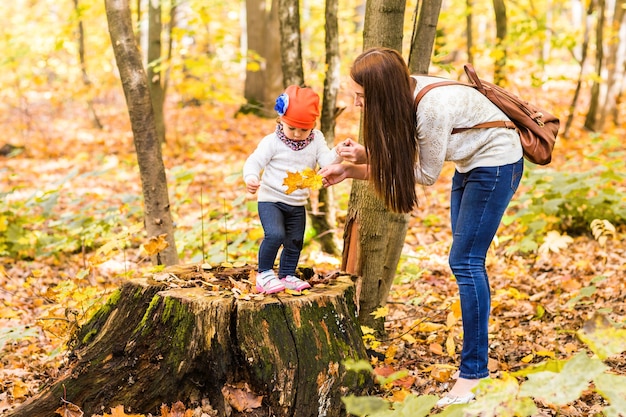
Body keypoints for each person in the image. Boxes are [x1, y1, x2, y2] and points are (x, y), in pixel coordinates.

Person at [319, 47, 524, 406]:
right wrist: (363, 154)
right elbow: (405, 151)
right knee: (464, 261)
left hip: (495, 164)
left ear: (382, 92)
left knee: (466, 261)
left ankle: (474, 375)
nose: (356, 104)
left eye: (362, 96)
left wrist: (353, 171)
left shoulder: (431, 108)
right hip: (471, 165)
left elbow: (424, 174)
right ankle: (475, 369)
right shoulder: (406, 91)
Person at [244, 85, 342, 294]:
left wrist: (339, 153)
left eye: (304, 129)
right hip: (271, 199)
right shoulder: (272, 142)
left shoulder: (316, 140)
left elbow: (326, 161)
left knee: (295, 240)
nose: (297, 134)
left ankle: (287, 274)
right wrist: (251, 177)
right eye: (292, 128)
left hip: (297, 203)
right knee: (275, 234)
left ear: (313, 125)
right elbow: (254, 161)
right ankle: (264, 273)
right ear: (280, 120)